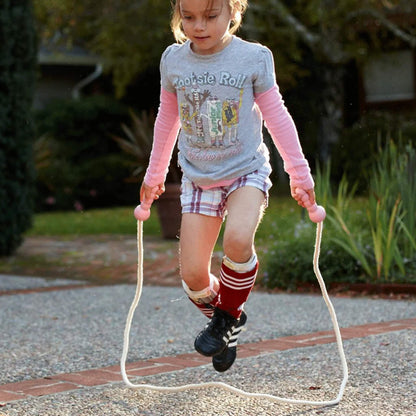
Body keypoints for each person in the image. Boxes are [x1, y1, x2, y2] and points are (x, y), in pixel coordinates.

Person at [140, 0, 316, 372]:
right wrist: (154, 176)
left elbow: (277, 117)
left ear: (234, 12)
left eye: (210, 16)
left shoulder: (253, 57)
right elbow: (167, 119)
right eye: (188, 17)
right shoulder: (173, 61)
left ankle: (224, 319)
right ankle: (230, 318)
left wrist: (299, 174)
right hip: (199, 178)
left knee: (237, 239)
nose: (198, 26)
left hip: (245, 172)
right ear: (178, 15)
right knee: (192, 276)